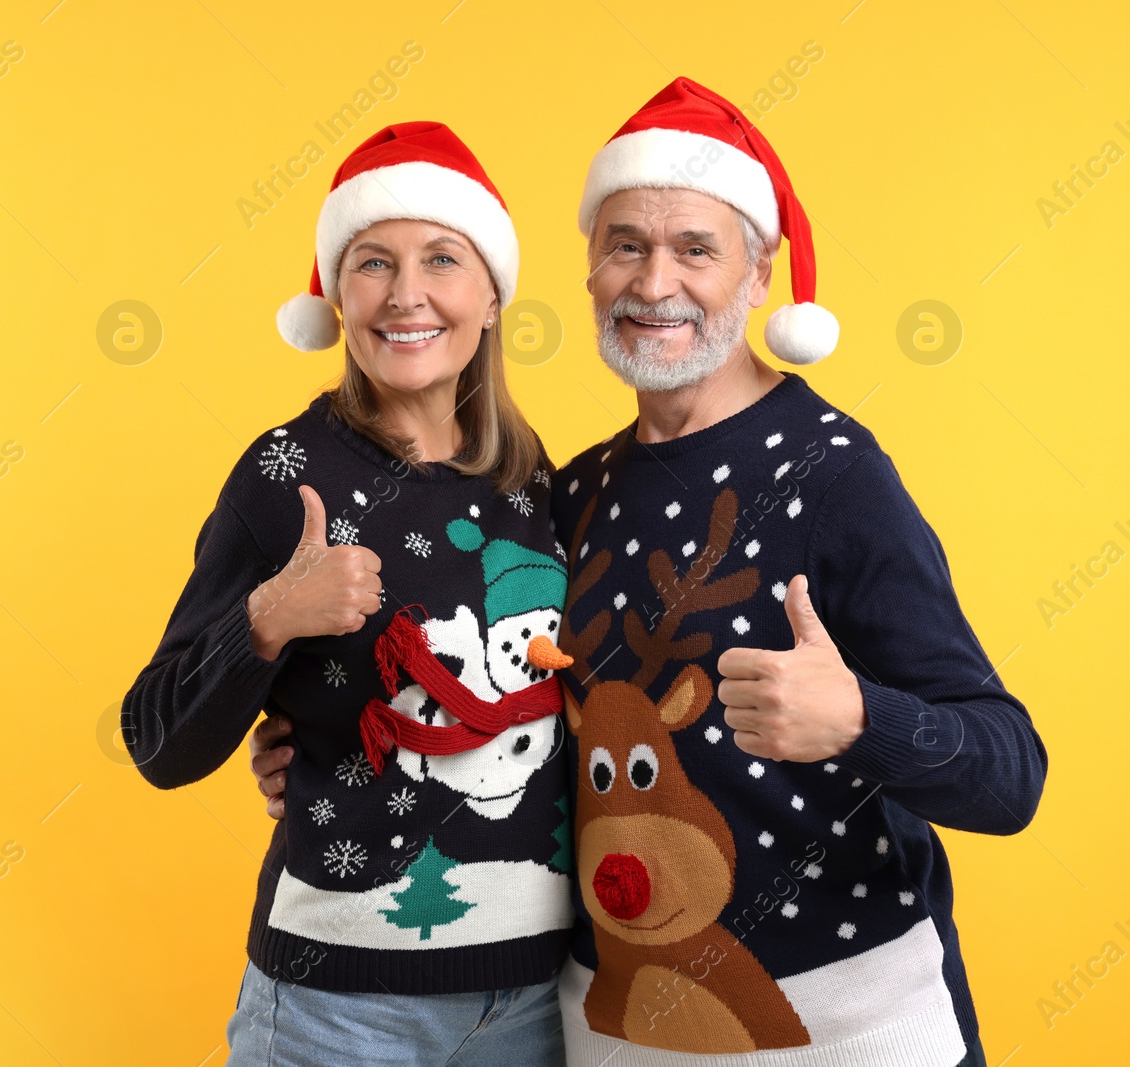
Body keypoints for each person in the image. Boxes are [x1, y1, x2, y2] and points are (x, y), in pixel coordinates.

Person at [257, 79, 1046, 1067]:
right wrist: (335, 745)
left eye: (695, 248)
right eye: (625, 243)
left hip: (844, 1024)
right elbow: (512, 707)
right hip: (616, 1025)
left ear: (758, 274)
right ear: (588, 268)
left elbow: (1009, 772)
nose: (653, 281)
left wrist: (856, 718)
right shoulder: (567, 490)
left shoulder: (836, 473)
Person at [123, 121, 576, 1066]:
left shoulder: (542, 487)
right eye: (373, 263)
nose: (406, 294)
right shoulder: (284, 475)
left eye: (442, 260)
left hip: (540, 999)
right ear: (335, 294)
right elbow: (156, 740)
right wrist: (270, 621)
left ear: (490, 296)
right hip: (337, 1011)